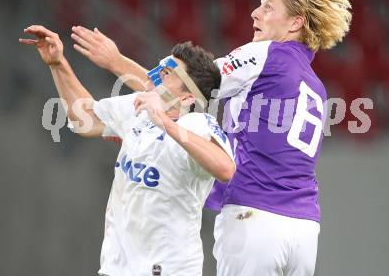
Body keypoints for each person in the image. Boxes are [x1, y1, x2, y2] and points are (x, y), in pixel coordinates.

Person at [70, 0, 352, 276]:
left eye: (268, 8)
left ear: (295, 24)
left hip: (255, 217)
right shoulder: (317, 87)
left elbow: (184, 86)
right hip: (305, 228)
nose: (255, 14)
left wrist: (116, 61)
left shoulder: (266, 54)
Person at [19, 25, 235, 276]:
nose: (154, 77)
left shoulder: (197, 123)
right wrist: (58, 64)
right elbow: (83, 117)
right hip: (116, 266)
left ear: (187, 98)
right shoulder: (138, 109)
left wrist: (164, 122)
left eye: (166, 74)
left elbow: (225, 169)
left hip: (168, 269)